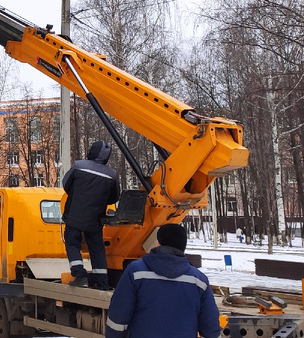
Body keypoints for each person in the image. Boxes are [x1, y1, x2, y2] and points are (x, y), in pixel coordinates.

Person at [105, 223, 221, 338]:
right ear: (183, 247)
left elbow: (118, 317)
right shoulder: (199, 281)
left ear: (158, 243)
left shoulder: (135, 272)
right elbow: (210, 328)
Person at [62, 140, 121, 289]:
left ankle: (80, 276)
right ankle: (102, 282)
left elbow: (66, 184)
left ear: (91, 151)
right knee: (97, 248)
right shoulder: (112, 175)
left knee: (72, 243)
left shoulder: (78, 166)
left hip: (74, 215)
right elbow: (114, 197)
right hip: (95, 219)